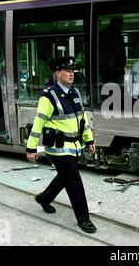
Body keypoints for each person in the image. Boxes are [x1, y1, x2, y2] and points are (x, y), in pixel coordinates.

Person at [26, 56, 97, 233]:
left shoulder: (75, 93)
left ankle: (44, 198)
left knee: (64, 177)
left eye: (73, 71)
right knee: (74, 181)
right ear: (58, 74)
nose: (71, 74)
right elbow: (38, 123)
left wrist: (89, 139)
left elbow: (83, 119)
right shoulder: (48, 97)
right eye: (67, 71)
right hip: (57, 148)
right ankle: (84, 219)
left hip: (74, 146)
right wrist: (31, 148)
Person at [99, 17, 127, 84]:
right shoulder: (107, 36)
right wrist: (112, 65)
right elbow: (107, 51)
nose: (121, 28)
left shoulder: (117, 36)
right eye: (120, 26)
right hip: (111, 69)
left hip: (113, 68)